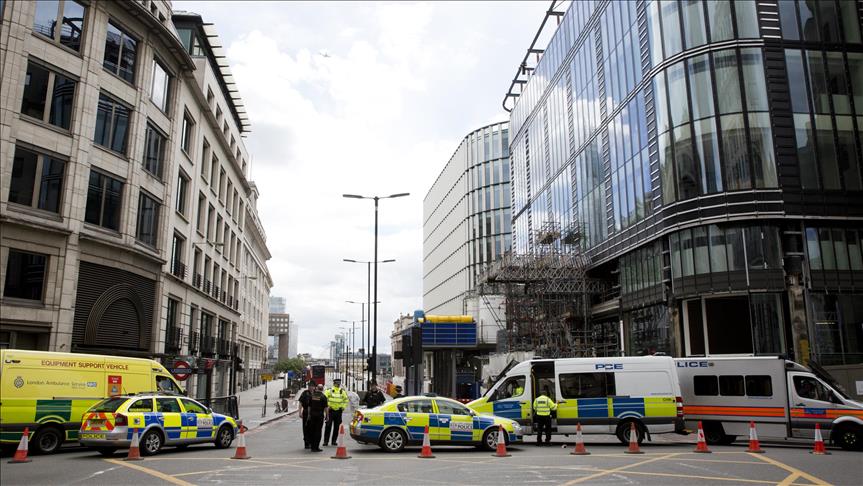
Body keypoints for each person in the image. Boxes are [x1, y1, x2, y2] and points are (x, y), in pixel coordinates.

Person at [323, 378, 348, 446]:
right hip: (330, 411)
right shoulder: (329, 390)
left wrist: (342, 407)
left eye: (339, 383)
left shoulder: (342, 391)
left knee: (337, 427)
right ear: (334, 383)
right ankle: (326, 441)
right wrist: (327, 407)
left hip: (338, 411)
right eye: (337, 383)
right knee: (328, 426)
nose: (338, 385)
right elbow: (324, 399)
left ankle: (334, 441)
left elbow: (346, 400)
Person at [306, 384, 328, 452]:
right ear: (322, 389)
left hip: (312, 415)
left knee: (312, 430)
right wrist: (327, 416)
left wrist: (308, 415)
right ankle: (316, 447)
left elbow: (309, 406)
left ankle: (312, 447)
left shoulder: (312, 396)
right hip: (319, 416)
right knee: (318, 431)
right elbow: (326, 408)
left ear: (317, 388)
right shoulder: (323, 397)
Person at [297, 381, 316, 449]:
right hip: (306, 412)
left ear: (314, 387)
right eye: (309, 386)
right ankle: (306, 443)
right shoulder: (305, 393)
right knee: (306, 428)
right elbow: (300, 403)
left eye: (312, 386)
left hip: (314, 413)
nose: (310, 387)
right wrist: (299, 412)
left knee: (313, 428)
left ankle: (312, 442)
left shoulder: (317, 393)